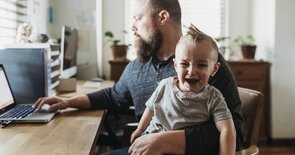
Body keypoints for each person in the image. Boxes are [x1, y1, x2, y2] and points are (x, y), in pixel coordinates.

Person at [35, 0, 243, 154]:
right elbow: (113, 96)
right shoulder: (137, 67)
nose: (132, 27)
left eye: (137, 18)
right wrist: (67, 102)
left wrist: (164, 141)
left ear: (162, 17)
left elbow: (237, 135)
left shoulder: (204, 68)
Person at [130, 24, 236, 155]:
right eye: (185, 64)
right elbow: (150, 108)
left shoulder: (213, 97)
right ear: (175, 65)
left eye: (201, 65)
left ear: (214, 69)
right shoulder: (165, 85)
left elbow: (227, 129)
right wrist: (140, 130)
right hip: (151, 142)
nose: (191, 71)